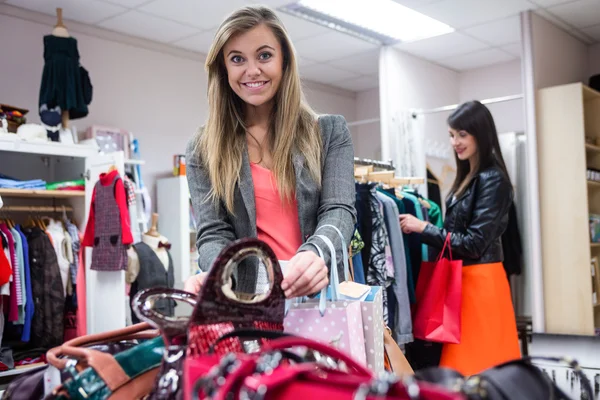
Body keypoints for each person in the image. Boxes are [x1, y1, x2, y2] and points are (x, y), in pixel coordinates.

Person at [183, 5, 356, 299]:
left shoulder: (329, 132)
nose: (252, 70)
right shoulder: (203, 148)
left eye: (264, 55)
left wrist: (316, 252)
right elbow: (213, 233)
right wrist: (216, 273)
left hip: (320, 297)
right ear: (224, 69)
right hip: (248, 303)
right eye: (237, 59)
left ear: (284, 61)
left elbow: (339, 211)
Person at [399, 100, 520, 375]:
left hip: (480, 283)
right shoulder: (468, 178)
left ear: (481, 134)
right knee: (462, 367)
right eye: (452, 135)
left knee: (479, 365)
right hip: (462, 281)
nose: (455, 142)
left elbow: (474, 243)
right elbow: (461, 234)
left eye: (462, 134)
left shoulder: (493, 179)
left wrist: (423, 228)